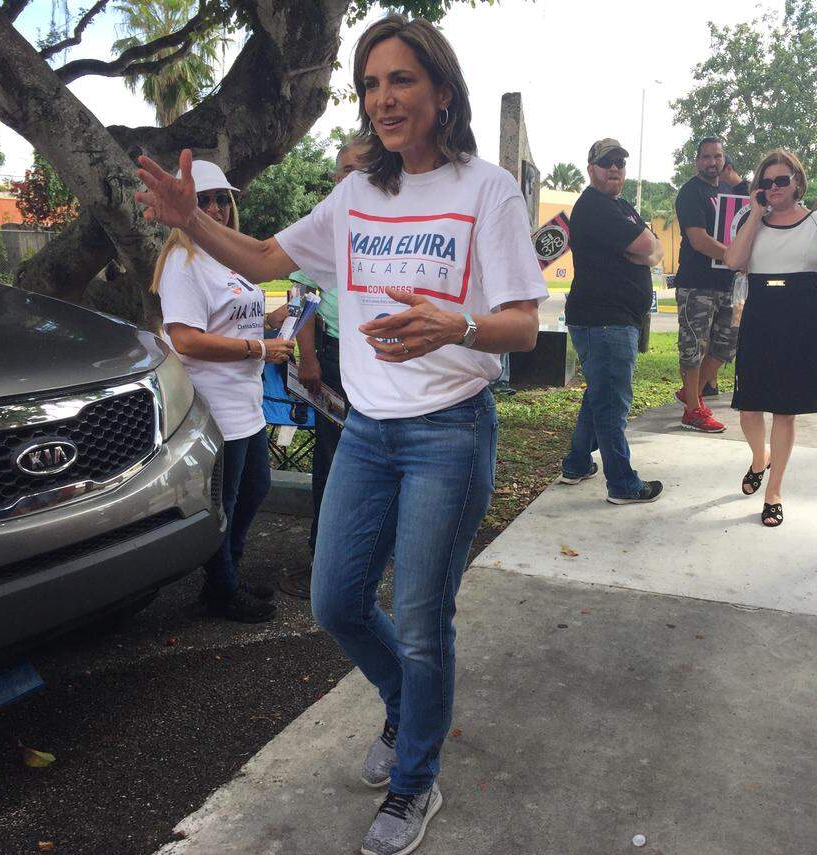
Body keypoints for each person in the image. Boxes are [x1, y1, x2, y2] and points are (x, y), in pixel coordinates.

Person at [136, 15, 546, 853]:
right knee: (335, 600)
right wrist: (190, 219)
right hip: (366, 431)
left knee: (425, 618)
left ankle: (413, 780)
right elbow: (259, 259)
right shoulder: (359, 195)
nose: (383, 98)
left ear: (440, 90)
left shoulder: (487, 191)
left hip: (448, 433)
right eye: (369, 84)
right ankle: (408, 706)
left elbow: (522, 327)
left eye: (400, 80)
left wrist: (457, 327)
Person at [150, 160, 295, 623]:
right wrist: (258, 345)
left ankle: (227, 568)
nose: (215, 208)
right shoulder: (183, 261)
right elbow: (187, 338)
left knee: (255, 488)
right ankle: (222, 587)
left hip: (245, 399)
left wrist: (271, 322)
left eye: (222, 199)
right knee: (225, 499)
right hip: (213, 403)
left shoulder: (227, 258)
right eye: (204, 199)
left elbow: (231, 317)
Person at [723, 149, 817, 527]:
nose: (774, 187)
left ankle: (773, 490)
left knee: (785, 409)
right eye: (766, 182)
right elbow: (733, 262)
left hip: (802, 317)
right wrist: (755, 214)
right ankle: (759, 458)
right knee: (749, 406)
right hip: (760, 313)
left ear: (797, 181)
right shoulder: (752, 220)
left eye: (781, 180)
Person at [278, 139, 364, 600]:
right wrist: (307, 359)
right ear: (335, 178)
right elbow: (299, 297)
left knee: (374, 458)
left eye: (363, 169)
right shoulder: (321, 224)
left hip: (377, 362)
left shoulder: (381, 220)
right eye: (346, 169)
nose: (352, 178)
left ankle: (363, 552)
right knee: (333, 460)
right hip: (331, 359)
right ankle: (322, 558)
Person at [560, 138, 664, 504]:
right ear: (591, 168)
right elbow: (649, 247)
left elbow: (653, 247)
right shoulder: (595, 208)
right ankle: (622, 484)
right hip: (604, 321)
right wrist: (646, 249)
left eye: (620, 162)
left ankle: (576, 463)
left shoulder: (621, 207)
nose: (615, 168)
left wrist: (646, 250)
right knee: (611, 404)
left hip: (612, 321)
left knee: (599, 395)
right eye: (607, 163)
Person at [672, 137, 749, 432]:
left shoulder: (730, 191)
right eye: (705, 157)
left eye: (717, 157)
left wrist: (737, 179)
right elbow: (698, 239)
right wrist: (734, 257)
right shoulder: (691, 193)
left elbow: (753, 204)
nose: (711, 162)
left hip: (730, 284)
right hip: (697, 283)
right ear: (696, 161)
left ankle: (692, 392)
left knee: (728, 344)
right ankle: (692, 410)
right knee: (693, 346)